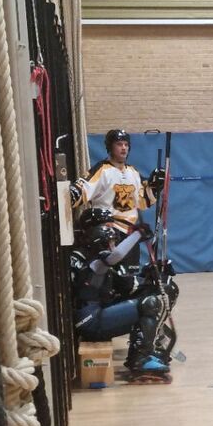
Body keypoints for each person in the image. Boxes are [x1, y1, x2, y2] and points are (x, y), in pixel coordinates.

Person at [69, 208, 179, 383]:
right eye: (111, 242)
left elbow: (124, 283)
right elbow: (116, 256)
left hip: (96, 314)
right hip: (92, 321)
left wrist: (148, 274)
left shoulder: (96, 262)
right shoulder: (95, 263)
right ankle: (141, 359)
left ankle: (144, 350)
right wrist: (137, 234)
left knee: (148, 300)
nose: (114, 246)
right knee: (149, 304)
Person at [70, 129, 165, 267]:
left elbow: (142, 202)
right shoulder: (102, 170)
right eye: (119, 144)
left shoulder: (133, 172)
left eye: (126, 144)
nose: (124, 148)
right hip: (109, 231)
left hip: (130, 234)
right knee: (110, 274)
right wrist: (74, 192)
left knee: (129, 274)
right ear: (110, 147)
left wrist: (155, 187)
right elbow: (83, 187)